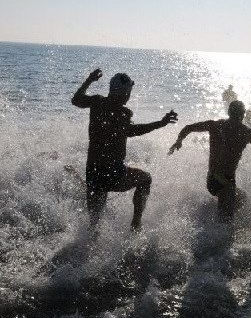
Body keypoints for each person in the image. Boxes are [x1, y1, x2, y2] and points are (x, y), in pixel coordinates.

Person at [72, 68, 178, 231]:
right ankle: (136, 224)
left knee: (94, 224)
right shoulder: (123, 113)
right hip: (113, 172)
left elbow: (76, 100)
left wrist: (89, 80)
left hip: (92, 170)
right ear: (124, 93)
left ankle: (83, 250)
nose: (129, 96)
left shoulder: (97, 102)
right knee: (145, 179)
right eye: (129, 92)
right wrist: (160, 123)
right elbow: (132, 131)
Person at [168, 100, 251, 221]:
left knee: (241, 197)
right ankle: (216, 229)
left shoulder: (215, 125)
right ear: (243, 114)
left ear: (229, 112)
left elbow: (188, 128)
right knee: (227, 218)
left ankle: (213, 218)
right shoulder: (246, 132)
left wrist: (179, 141)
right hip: (225, 181)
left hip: (212, 179)